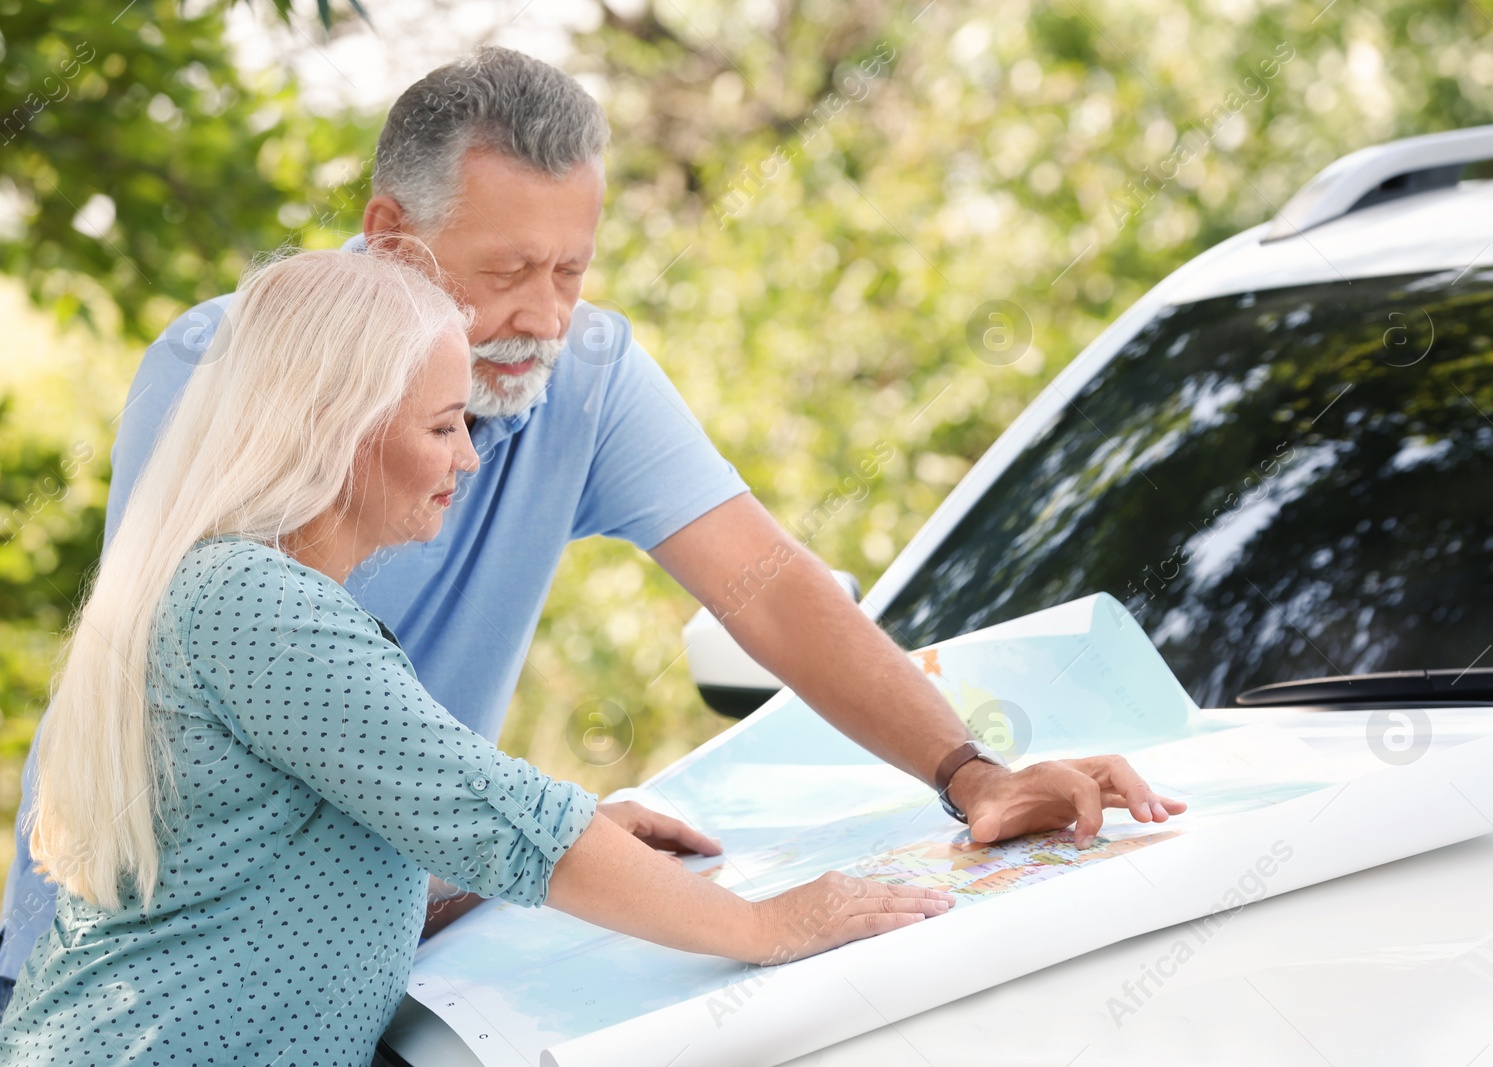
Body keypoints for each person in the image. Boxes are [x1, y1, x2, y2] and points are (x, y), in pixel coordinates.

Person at [0, 46, 1185, 1007]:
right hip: (162, 963)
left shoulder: (587, 372)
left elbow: (766, 583)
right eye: (509, 268)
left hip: (381, 933)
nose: (544, 317)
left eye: (572, 269)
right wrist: (564, 851)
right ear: (390, 233)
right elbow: (252, 710)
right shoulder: (233, 374)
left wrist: (966, 770)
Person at [0, 250, 963, 1065]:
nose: (469, 456)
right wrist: (768, 925)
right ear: (338, 428)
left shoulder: (242, 593)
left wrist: (563, 842)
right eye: (441, 424)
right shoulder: (254, 602)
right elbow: (498, 814)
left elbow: (278, 866)